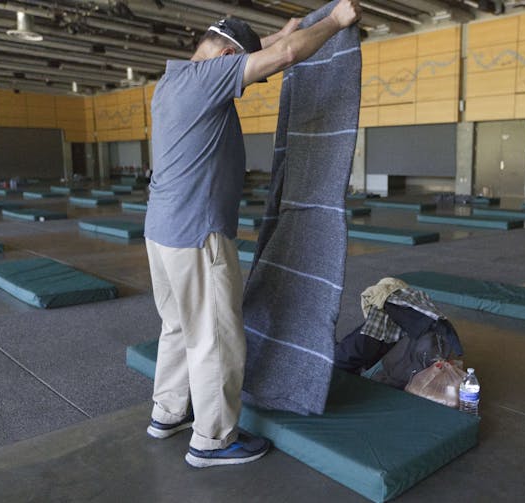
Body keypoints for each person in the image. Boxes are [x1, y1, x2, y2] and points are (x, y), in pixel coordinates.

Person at [143, 1, 362, 469]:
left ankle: (168, 412)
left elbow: (266, 50)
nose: (247, 82)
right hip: (196, 234)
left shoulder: (173, 81)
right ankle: (213, 440)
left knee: (178, 327)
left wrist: (285, 32)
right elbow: (282, 59)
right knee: (215, 338)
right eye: (245, 73)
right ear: (227, 60)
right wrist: (334, 21)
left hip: (160, 233)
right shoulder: (212, 79)